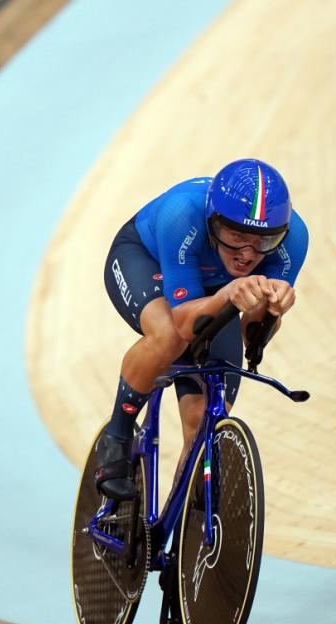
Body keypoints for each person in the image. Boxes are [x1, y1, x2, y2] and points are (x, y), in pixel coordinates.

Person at [96, 158, 309, 500]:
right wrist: (227, 293)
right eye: (236, 235)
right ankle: (117, 437)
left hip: (218, 291)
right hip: (149, 261)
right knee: (168, 336)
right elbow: (184, 323)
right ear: (213, 224)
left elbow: (250, 337)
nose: (247, 254)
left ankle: (181, 530)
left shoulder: (293, 239)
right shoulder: (181, 215)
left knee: (204, 428)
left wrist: (270, 310)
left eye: (263, 241)